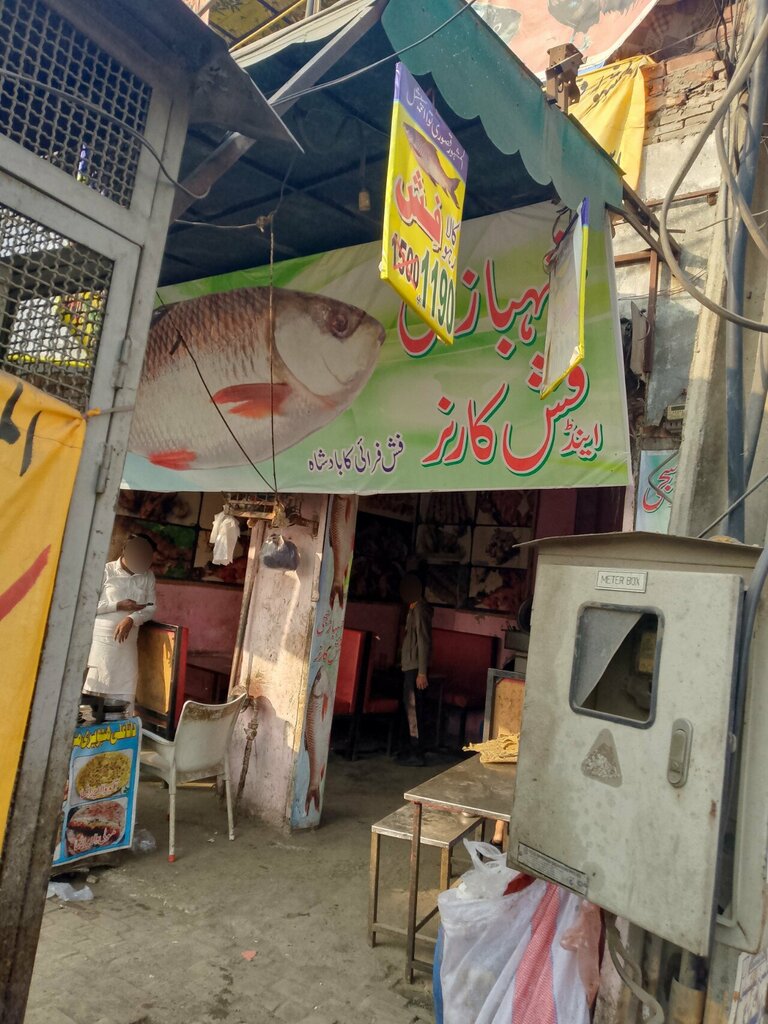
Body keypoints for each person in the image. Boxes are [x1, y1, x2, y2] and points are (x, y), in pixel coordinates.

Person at [82, 533, 157, 714]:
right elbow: (87, 606)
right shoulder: (105, 571)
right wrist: (118, 605)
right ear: (125, 551)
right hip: (101, 643)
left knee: (124, 691)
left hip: (127, 645)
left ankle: (119, 735)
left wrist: (131, 618)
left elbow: (151, 607)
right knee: (94, 692)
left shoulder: (147, 576)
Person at [398, 573, 433, 767]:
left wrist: (422, 671)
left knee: (413, 708)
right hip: (409, 664)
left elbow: (423, 640)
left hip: (414, 667)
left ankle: (417, 751)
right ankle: (411, 747)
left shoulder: (419, 610)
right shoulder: (413, 608)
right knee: (409, 706)